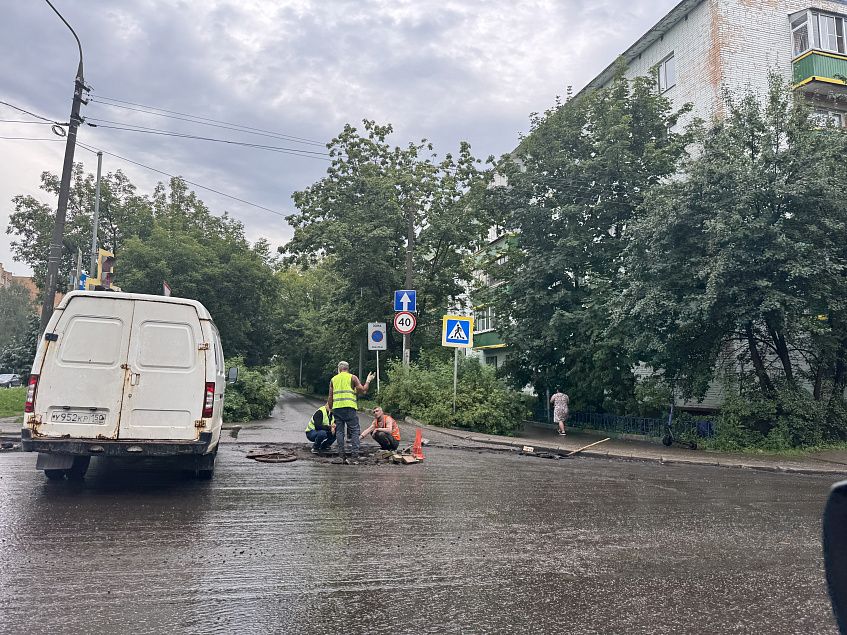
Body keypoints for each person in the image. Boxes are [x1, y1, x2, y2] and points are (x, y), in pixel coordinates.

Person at [327, 361, 374, 465]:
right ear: (347, 368)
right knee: (354, 431)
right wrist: (368, 381)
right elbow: (363, 391)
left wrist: (330, 408)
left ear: (339, 369)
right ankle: (354, 457)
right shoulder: (353, 377)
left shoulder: (333, 379)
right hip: (349, 408)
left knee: (339, 432)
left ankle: (341, 456)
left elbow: (330, 397)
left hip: (337, 408)